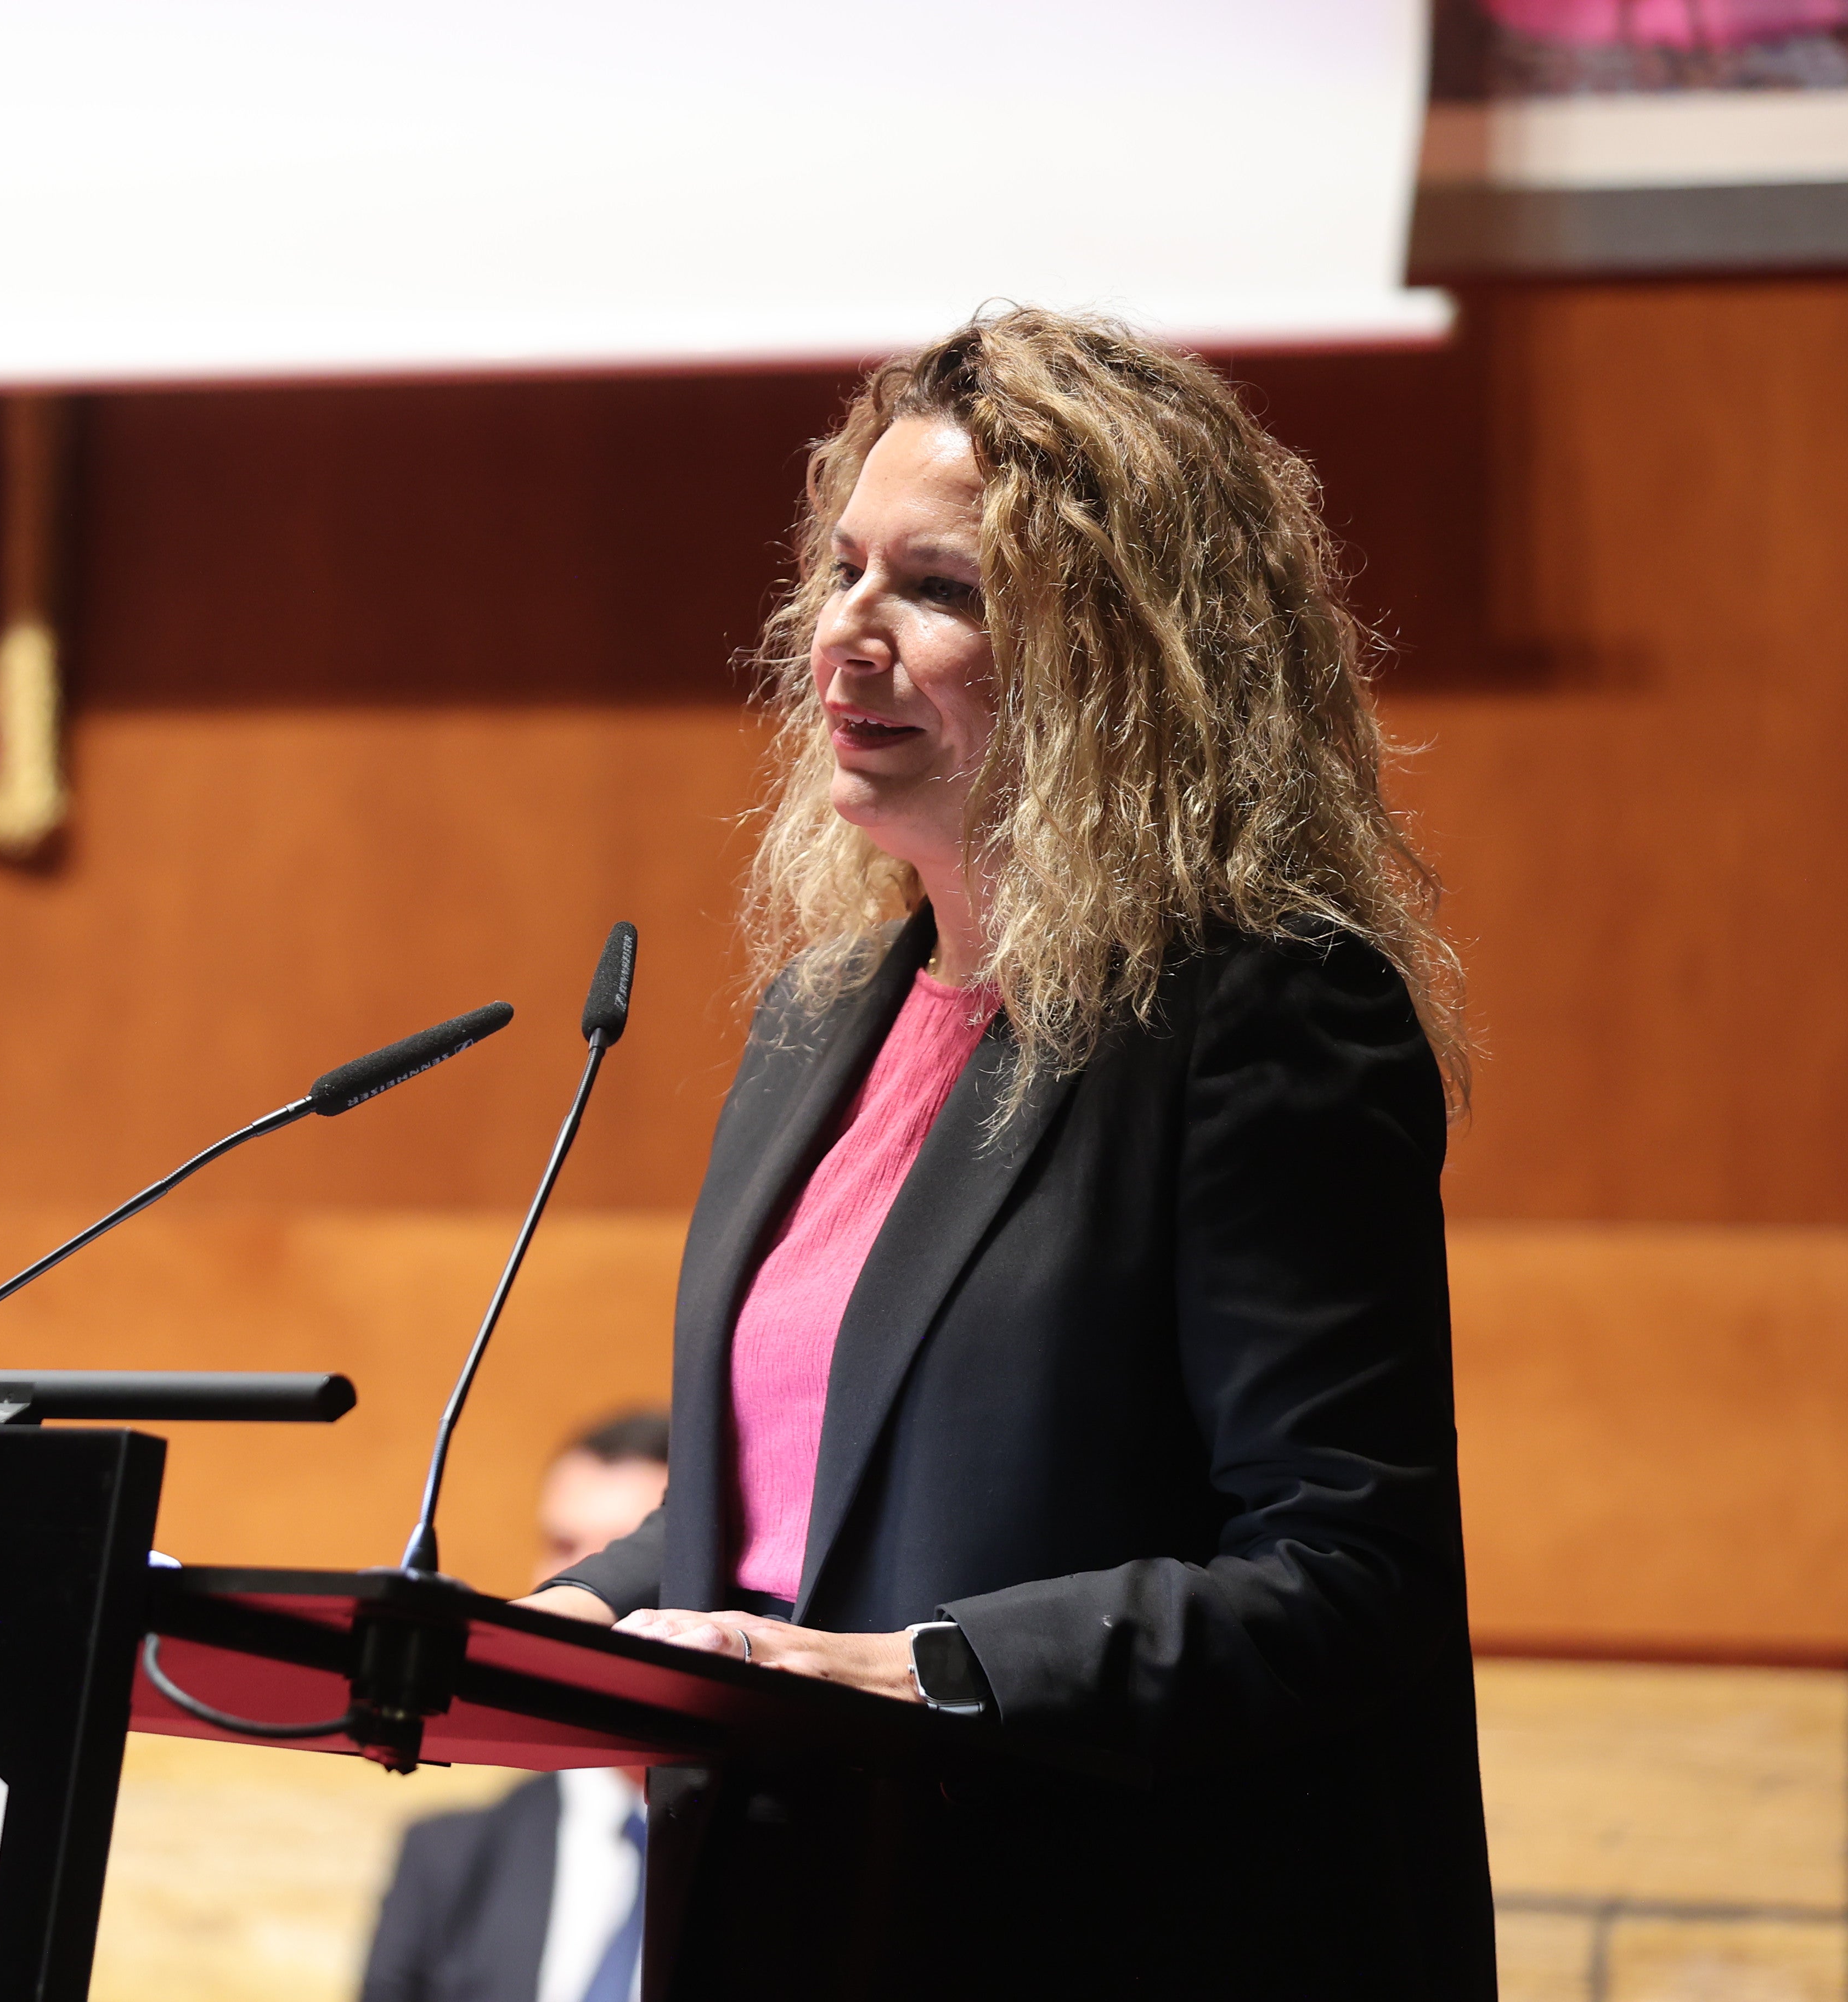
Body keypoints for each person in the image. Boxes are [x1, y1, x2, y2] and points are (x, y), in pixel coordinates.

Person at [509, 308, 1495, 1999]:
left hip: (1092, 1926)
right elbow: (794, 1515)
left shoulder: (1266, 1022)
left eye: (938, 588)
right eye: (838, 571)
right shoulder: (827, 1017)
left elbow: (1345, 1573)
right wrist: (571, 1626)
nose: (846, 635)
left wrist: (913, 1672)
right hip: (792, 1914)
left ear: (1126, 656)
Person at [362, 1411, 671, 2002]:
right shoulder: (450, 1860)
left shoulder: (796, 1857)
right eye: (562, 1546)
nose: (579, 1584)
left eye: (621, 1556)